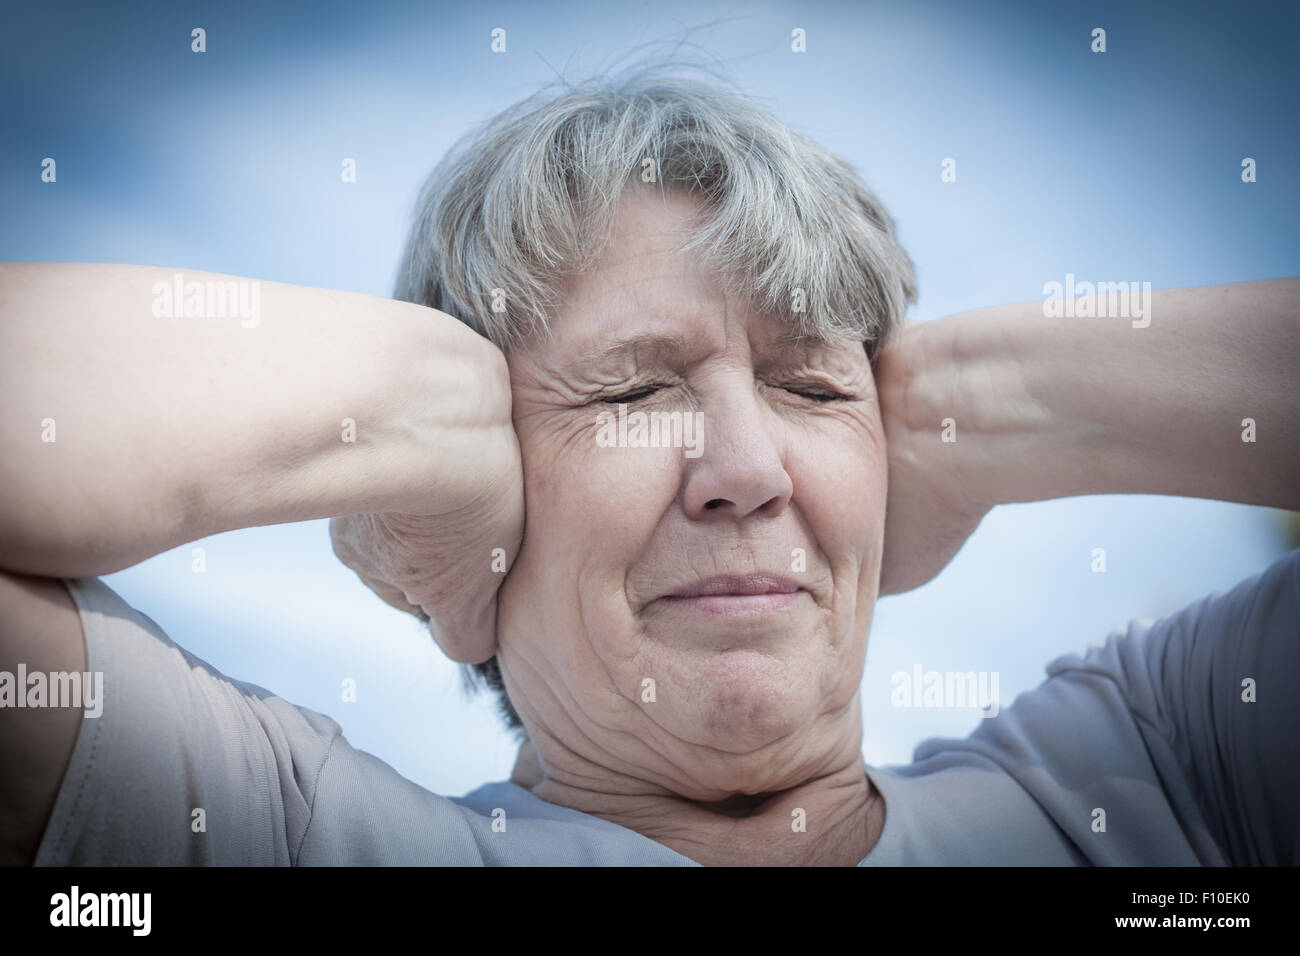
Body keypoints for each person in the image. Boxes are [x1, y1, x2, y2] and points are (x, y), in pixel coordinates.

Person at [1, 68, 1297, 866]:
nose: (747, 469)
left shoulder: (1168, 768)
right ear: (473, 506)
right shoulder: (280, 833)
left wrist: (984, 399)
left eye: (811, 385)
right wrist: (422, 406)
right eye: (630, 389)